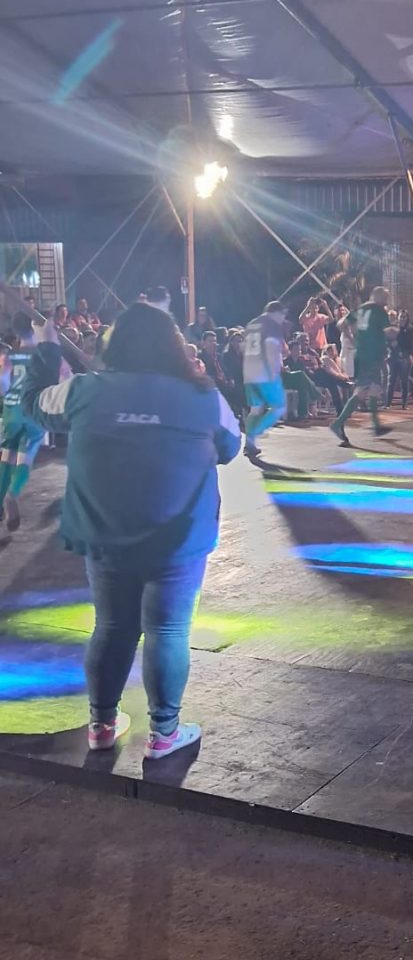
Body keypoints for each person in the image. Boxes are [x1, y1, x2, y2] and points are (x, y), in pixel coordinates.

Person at [21, 303, 241, 757]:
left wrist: (46, 349)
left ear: (113, 345)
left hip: (106, 533)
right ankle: (164, 734)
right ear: (173, 346)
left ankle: (101, 725)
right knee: (168, 629)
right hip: (178, 537)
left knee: (113, 625)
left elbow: (34, 403)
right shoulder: (203, 397)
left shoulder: (83, 391)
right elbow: (230, 446)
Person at [331, 286, 396, 445]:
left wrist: (353, 338)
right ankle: (338, 423)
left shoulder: (360, 309)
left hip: (362, 355)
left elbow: (341, 324)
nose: (386, 301)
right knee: (361, 392)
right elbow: (388, 332)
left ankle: (376, 425)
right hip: (371, 357)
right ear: (378, 297)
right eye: (385, 298)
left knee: (374, 389)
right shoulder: (379, 311)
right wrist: (395, 332)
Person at [0, 311, 47, 531]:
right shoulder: (43, 354)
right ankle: (13, 493)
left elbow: (3, 383)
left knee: (7, 454)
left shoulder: (10, 355)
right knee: (25, 457)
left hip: (12, 410)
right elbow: (62, 375)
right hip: (33, 409)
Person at [242, 301, 289, 459]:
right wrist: (274, 372)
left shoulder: (251, 324)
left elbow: (244, 348)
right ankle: (254, 434)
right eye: (283, 315)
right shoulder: (272, 324)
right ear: (277, 312)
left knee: (255, 409)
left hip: (249, 371)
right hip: (265, 372)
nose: (283, 319)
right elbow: (271, 350)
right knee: (279, 407)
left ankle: (249, 444)